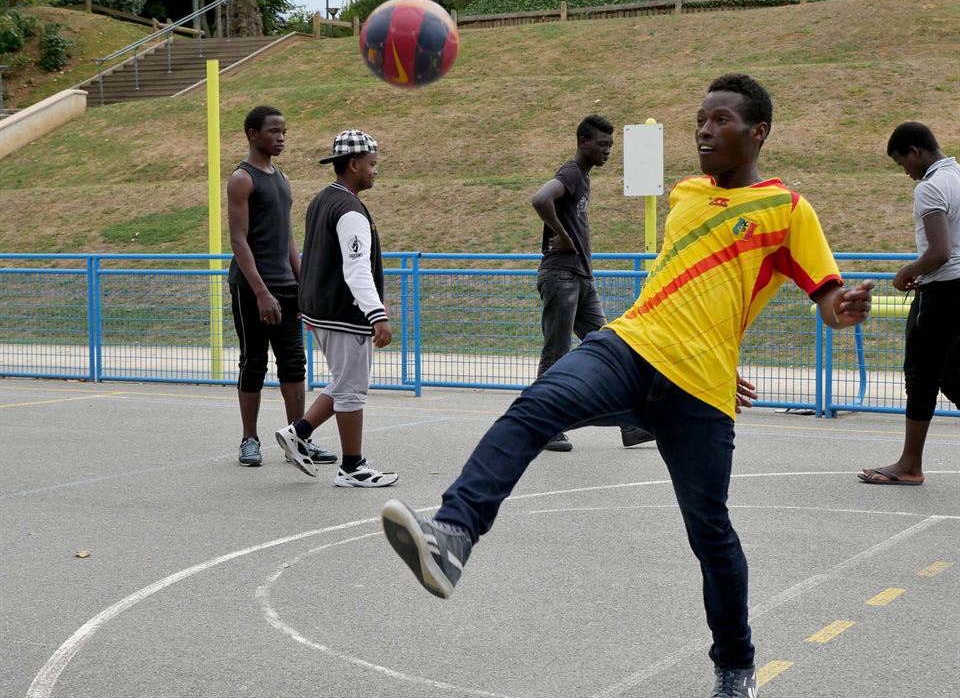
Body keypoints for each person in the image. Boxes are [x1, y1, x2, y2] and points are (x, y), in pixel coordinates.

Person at [381, 74, 876, 698]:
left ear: (759, 133)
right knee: (535, 407)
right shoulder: (689, 193)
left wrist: (843, 309)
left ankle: (736, 668)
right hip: (631, 345)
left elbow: (826, 300)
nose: (704, 128)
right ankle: (453, 536)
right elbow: (695, 287)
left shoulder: (787, 211)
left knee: (710, 532)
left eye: (721, 119)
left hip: (699, 389)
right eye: (700, 117)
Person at [275, 130, 398, 488]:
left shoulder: (323, 199)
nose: (375, 171)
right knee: (352, 391)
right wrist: (377, 314)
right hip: (344, 313)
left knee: (343, 382)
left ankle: (298, 433)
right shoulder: (350, 210)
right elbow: (356, 268)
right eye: (372, 164)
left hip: (322, 309)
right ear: (354, 164)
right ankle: (352, 467)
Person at [532, 114, 654, 452]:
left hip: (581, 279)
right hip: (562, 276)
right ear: (583, 142)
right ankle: (542, 426)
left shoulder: (582, 177)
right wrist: (563, 235)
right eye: (603, 145)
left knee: (610, 351)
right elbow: (540, 199)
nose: (608, 152)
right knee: (556, 353)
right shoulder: (571, 171)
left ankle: (631, 426)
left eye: (611, 147)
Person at [227, 105, 335, 468]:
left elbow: (288, 237)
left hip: (286, 288)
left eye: (284, 131)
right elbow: (239, 241)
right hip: (252, 288)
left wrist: (302, 283)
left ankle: (298, 439)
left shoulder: (282, 178)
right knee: (253, 363)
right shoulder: (242, 179)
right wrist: (261, 292)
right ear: (252, 134)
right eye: (274, 131)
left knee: (293, 364)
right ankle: (249, 440)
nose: (281, 137)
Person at [858, 122, 960, 486]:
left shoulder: (931, 188)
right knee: (953, 374)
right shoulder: (959, 176)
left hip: (943, 293)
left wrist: (907, 272)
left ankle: (910, 465)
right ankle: (909, 462)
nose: (907, 173)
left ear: (915, 151)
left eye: (904, 164)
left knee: (921, 377)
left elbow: (940, 253)